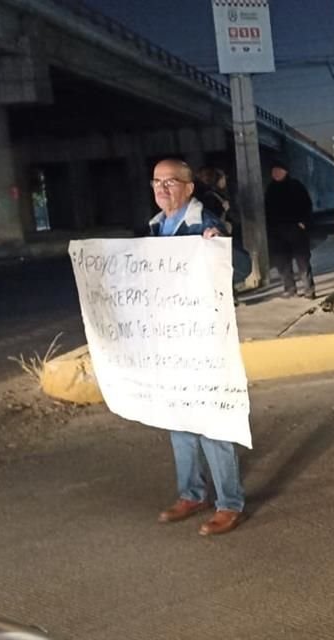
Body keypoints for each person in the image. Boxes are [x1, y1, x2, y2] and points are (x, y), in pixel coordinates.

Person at [147, 158, 246, 536]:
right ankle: (192, 493)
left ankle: (229, 504)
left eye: (170, 181)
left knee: (212, 421)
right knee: (179, 420)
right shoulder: (156, 226)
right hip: (172, 339)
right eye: (156, 182)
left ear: (189, 188)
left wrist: (220, 247)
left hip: (204, 339)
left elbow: (241, 266)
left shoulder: (205, 222)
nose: (162, 188)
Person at [265, 160, 315, 299]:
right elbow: (267, 211)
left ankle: (309, 289)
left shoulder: (295, 186)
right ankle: (289, 288)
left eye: (278, 170)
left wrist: (303, 223)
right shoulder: (270, 189)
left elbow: (307, 205)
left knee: (302, 260)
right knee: (282, 262)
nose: (275, 173)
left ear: (285, 171)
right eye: (273, 171)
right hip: (277, 232)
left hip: (296, 230)